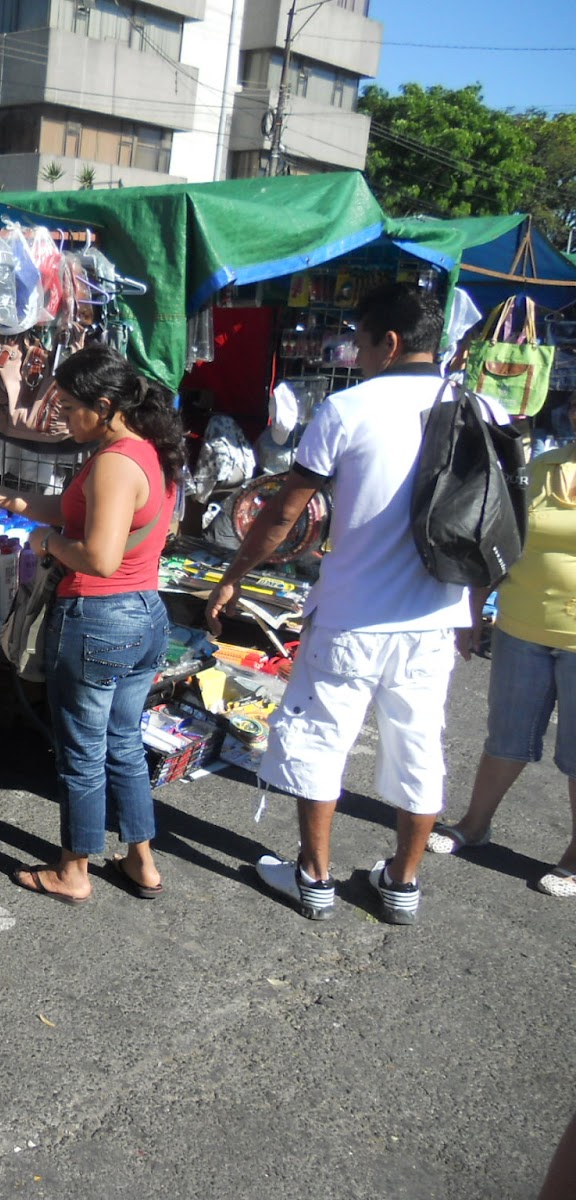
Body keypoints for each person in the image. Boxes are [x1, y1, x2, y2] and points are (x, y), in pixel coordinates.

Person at [203, 282, 491, 926]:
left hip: (350, 617)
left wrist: (235, 575)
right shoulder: (481, 408)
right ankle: (402, 884)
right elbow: (491, 524)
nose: (355, 356)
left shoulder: (349, 409)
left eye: (359, 343)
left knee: (318, 741)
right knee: (419, 749)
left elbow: (284, 510)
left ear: (388, 343)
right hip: (432, 623)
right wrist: (475, 606)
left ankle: (314, 876)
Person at [0, 343, 180, 904]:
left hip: (99, 617)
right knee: (122, 742)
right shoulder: (142, 452)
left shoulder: (117, 463)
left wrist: (46, 544)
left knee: (83, 750)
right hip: (142, 616)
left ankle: (74, 871)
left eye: (70, 407)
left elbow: (97, 556)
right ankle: (141, 861)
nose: (62, 418)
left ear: (103, 404)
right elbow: (65, 507)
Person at [426, 394, 576, 897]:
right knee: (505, 738)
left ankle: (574, 857)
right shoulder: (542, 467)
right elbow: (502, 540)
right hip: (520, 628)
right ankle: (474, 825)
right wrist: (472, 612)